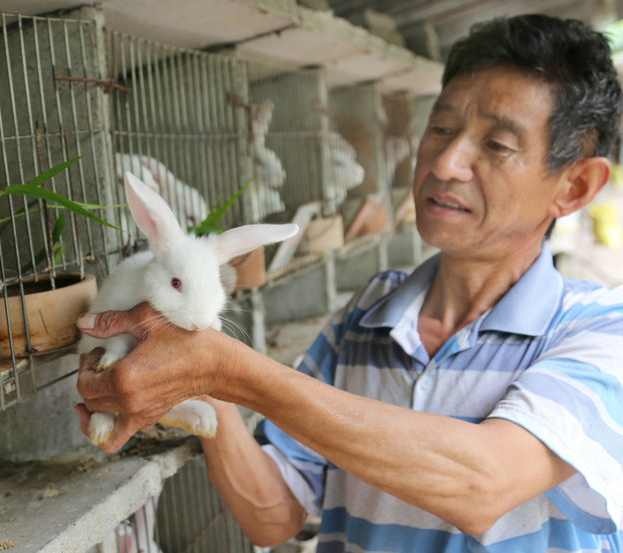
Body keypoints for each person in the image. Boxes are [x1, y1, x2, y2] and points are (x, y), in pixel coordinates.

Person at [75, 14, 623, 552]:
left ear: (575, 187)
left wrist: (227, 368)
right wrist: (196, 383)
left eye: (498, 145)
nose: (447, 162)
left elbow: (482, 484)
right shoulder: (368, 313)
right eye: (442, 127)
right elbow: (273, 515)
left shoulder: (603, 329)